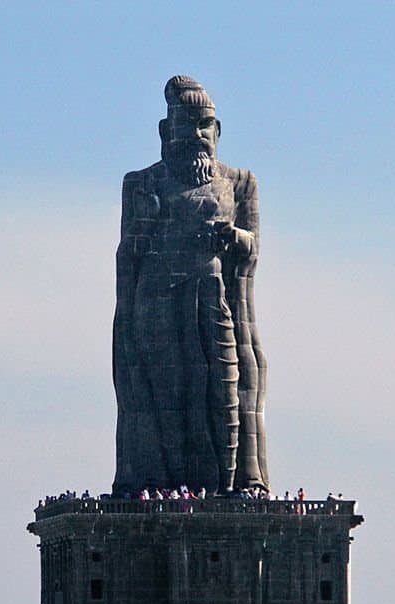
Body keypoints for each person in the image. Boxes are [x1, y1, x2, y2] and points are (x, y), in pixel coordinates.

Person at [113, 76, 269, 497]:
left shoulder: (240, 183)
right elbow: (129, 254)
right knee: (164, 395)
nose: (198, 135)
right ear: (167, 132)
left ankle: (236, 482)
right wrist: (146, 224)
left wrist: (233, 238)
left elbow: (253, 247)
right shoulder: (142, 183)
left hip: (214, 299)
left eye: (206, 125)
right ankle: (157, 481)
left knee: (226, 390)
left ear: (217, 132)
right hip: (157, 303)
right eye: (189, 124)